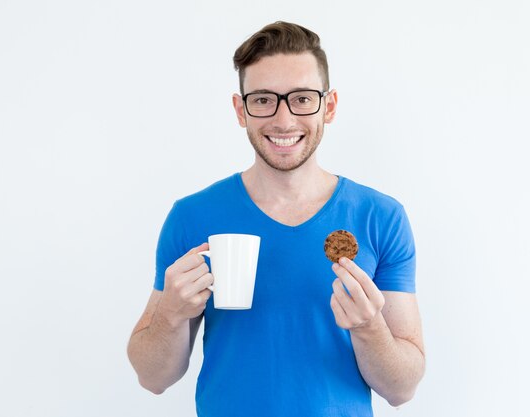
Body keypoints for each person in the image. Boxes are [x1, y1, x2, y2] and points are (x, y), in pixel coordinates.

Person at [127, 21, 425, 417]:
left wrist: (369, 328)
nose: (283, 121)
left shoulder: (381, 218)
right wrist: (170, 314)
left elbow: (402, 389)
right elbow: (153, 378)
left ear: (329, 106)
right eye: (264, 99)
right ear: (241, 110)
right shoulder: (192, 217)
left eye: (302, 99)